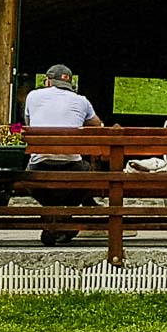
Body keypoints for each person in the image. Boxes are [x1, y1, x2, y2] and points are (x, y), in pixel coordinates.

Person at [23, 64, 101, 245]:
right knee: (92, 176)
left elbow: (28, 122)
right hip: (73, 166)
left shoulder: (32, 96)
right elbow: (98, 126)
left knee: (25, 177)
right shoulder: (81, 100)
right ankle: (65, 218)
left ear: (48, 81)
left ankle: (55, 218)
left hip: (39, 165)